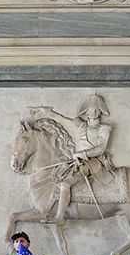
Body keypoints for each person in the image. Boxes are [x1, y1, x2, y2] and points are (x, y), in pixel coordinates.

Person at [28, 95, 113, 224]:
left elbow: (101, 148)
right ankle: (47, 209)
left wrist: (81, 154)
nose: (94, 112)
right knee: (56, 177)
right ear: (87, 112)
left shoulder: (104, 128)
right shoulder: (81, 125)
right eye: (92, 109)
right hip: (77, 160)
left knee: (66, 183)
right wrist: (42, 110)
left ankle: (59, 218)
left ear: (100, 111)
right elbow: (61, 119)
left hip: (93, 161)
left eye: (97, 110)